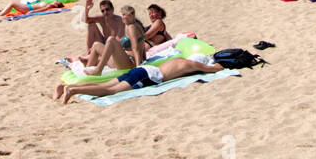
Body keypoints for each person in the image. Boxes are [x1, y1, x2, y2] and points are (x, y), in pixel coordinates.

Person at [54, 54, 226, 104]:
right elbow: (208, 69)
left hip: (141, 70)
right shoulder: (190, 65)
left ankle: (63, 87)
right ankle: (73, 89)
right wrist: (217, 67)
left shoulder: (178, 60)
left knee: (107, 84)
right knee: (110, 90)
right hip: (147, 76)